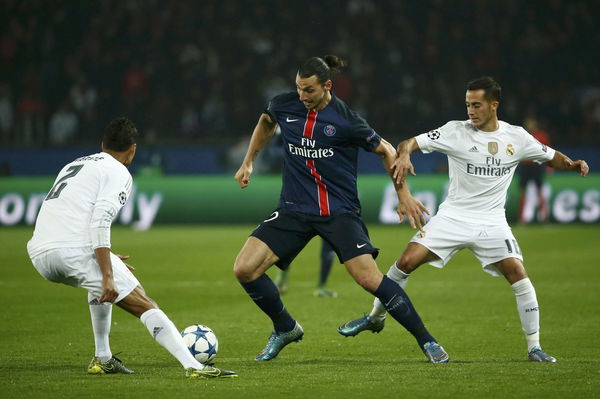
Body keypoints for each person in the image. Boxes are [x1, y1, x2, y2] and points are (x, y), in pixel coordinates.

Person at [338, 77, 589, 363]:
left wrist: (571, 164)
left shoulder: (516, 137)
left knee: (518, 275)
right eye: (468, 104)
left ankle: (535, 347)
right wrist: (405, 154)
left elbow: (550, 157)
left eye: (477, 105)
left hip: (492, 222)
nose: (470, 110)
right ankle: (375, 317)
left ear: (494, 105)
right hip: (452, 217)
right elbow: (409, 142)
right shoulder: (454, 131)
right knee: (405, 263)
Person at [233, 55, 448, 363]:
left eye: (309, 90)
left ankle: (427, 341)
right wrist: (249, 161)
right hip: (294, 209)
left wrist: (403, 194)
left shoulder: (346, 120)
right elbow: (266, 121)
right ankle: (285, 327)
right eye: (298, 89)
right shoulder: (284, 105)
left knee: (369, 280)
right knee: (244, 269)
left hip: (338, 211)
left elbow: (387, 151)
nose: (302, 97)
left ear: (327, 86)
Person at [26, 117, 237, 378]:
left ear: (103, 145)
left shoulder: (75, 164)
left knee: (99, 284)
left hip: (39, 252)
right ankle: (194, 367)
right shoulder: (118, 171)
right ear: (133, 149)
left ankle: (103, 358)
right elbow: (100, 220)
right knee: (143, 302)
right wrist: (107, 273)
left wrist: (107, 260)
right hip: (72, 249)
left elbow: (69, 215)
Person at [518, 116, 551, 223]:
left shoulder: (542, 135)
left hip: (536, 166)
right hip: (525, 166)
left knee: (539, 191)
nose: (530, 125)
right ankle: (522, 218)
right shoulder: (522, 135)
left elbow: (548, 152)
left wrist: (549, 166)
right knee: (523, 192)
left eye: (531, 123)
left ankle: (543, 217)